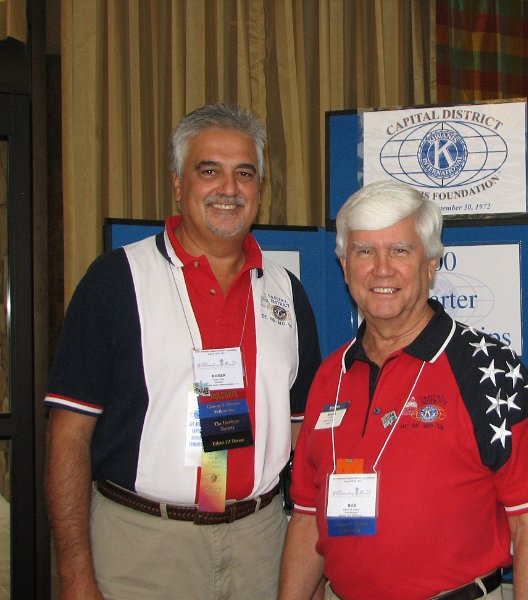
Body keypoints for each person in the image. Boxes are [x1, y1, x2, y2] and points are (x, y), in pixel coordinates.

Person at [44, 102, 321, 599]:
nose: (229, 189)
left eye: (244, 173)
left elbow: (305, 436)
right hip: (142, 547)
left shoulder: (287, 292)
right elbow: (68, 436)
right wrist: (74, 574)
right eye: (209, 171)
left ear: (260, 189)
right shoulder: (115, 281)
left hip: (260, 545)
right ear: (177, 184)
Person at [278, 180, 528, 599]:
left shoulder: (490, 370)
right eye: (364, 252)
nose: (382, 269)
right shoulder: (331, 376)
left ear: (431, 264)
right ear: (344, 266)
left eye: (400, 250)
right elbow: (308, 516)